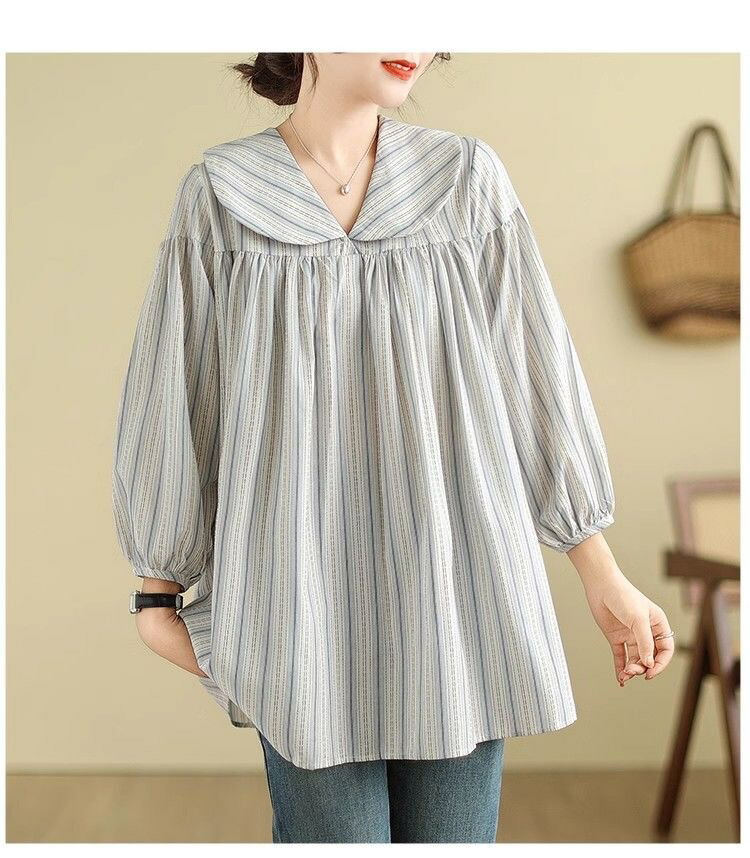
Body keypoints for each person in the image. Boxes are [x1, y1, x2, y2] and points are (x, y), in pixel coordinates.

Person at [111, 52, 676, 843]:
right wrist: (157, 589)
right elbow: (178, 389)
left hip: (459, 590)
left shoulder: (465, 181)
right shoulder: (223, 195)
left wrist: (602, 572)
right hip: (296, 597)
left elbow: (534, 375)